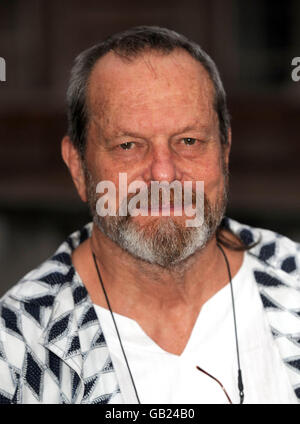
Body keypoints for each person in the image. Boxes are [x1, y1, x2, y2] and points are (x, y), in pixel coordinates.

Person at [0, 26, 299, 405]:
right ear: (78, 167)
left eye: (189, 141)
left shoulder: (292, 281)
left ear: (224, 151)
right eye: (128, 145)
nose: (163, 173)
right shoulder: (17, 350)